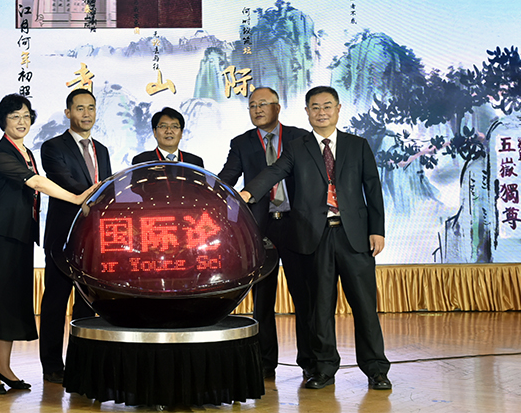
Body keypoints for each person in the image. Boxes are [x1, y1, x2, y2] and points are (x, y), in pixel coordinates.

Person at [240, 86, 391, 390]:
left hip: (354, 237)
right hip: (314, 237)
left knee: (364, 307)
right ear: (307, 112)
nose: (321, 112)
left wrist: (377, 230)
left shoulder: (358, 145)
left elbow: (373, 188)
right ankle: (322, 369)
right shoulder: (297, 147)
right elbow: (274, 172)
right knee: (319, 308)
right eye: (315, 107)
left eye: (327, 106)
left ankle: (376, 369)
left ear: (338, 109)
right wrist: (247, 193)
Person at [0, 94, 96, 395]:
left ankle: (4, 367)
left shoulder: (26, 152)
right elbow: (36, 182)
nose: (22, 121)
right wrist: (76, 197)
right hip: (0, 235)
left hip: (20, 234)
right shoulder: (1, 153)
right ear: (3, 121)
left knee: (12, 299)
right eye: (14, 117)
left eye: (26, 116)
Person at [217, 87, 313, 381]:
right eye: (252, 105)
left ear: (277, 108)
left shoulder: (299, 137)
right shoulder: (242, 143)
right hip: (260, 227)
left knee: (304, 295)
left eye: (263, 104)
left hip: (296, 224)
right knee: (263, 298)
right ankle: (264, 361)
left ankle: (310, 362)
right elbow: (228, 177)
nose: (257, 109)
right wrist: (211, 192)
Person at [39, 88, 112, 384]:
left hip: (93, 241)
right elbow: (65, 181)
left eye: (91, 108)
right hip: (62, 237)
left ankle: (81, 365)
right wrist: (93, 195)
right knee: (55, 303)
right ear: (68, 112)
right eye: (80, 108)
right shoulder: (52, 147)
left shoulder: (102, 150)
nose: (86, 114)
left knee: (87, 306)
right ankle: (52, 366)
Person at [131, 107, 204, 166]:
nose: (169, 131)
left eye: (174, 126)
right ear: (155, 132)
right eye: (163, 126)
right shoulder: (142, 161)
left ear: (181, 133)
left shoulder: (195, 162)